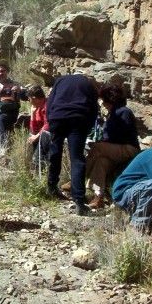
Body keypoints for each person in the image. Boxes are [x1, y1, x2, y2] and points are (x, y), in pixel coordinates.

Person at [45, 73, 99, 215]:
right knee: (77, 158)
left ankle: (51, 186)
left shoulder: (61, 80)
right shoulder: (88, 85)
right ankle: (79, 200)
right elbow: (94, 107)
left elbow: (50, 101)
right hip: (79, 119)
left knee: (55, 151)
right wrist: (88, 124)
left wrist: (50, 118)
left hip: (58, 117)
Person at [84, 83, 140, 209]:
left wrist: (105, 141)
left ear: (111, 99)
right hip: (115, 149)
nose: (103, 103)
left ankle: (79, 177)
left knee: (97, 148)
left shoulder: (124, 112)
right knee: (101, 162)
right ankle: (99, 197)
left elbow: (122, 134)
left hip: (128, 148)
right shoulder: (112, 114)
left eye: (104, 100)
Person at [26, 85, 51, 169]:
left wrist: (36, 136)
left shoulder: (48, 105)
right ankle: (29, 164)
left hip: (51, 133)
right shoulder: (38, 108)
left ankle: (39, 165)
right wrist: (32, 114)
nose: (29, 101)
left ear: (34, 98)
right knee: (31, 137)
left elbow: (48, 124)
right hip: (42, 133)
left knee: (42, 136)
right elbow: (34, 129)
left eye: (29, 99)